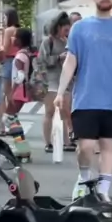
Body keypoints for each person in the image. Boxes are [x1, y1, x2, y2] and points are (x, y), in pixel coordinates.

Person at [54, 0, 112, 201]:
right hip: (86, 97)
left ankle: (103, 190)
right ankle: (83, 179)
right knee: (86, 146)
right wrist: (60, 92)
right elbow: (70, 62)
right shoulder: (80, 28)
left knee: (108, 144)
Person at [37, 12, 75, 152]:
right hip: (51, 80)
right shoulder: (48, 41)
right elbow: (42, 61)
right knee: (50, 112)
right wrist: (59, 58)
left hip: (66, 81)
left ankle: (66, 141)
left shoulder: (68, 41)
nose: (67, 32)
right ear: (58, 27)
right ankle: (48, 142)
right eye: (65, 29)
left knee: (65, 112)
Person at [0, 8, 20, 133]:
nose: (3, 19)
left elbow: (4, 49)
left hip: (8, 62)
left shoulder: (8, 30)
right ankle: (13, 123)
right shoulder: (19, 30)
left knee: (3, 95)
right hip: (18, 62)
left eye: (4, 17)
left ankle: (3, 126)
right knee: (12, 94)